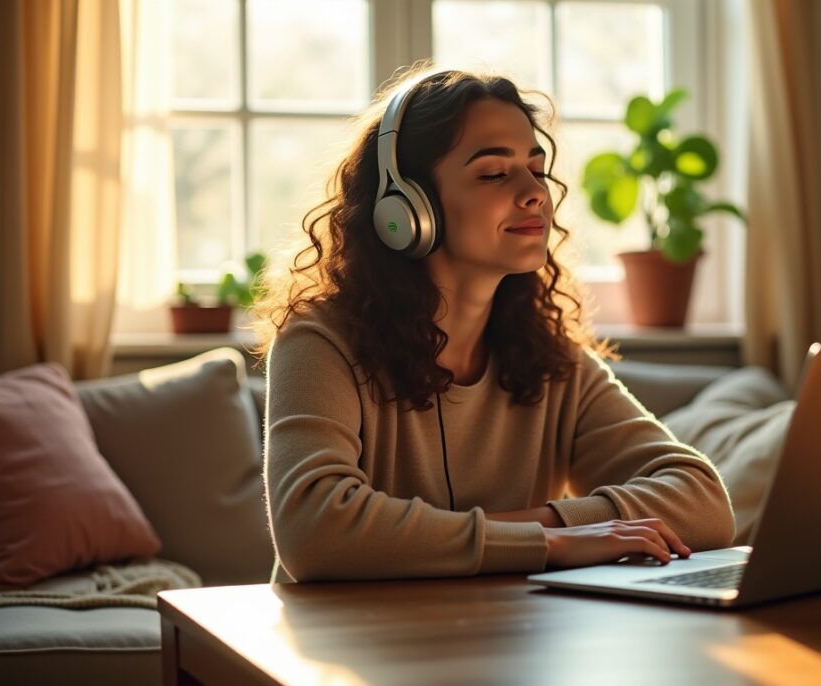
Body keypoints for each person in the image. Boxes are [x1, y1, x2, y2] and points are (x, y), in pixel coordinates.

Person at [251, 66, 734, 582]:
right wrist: (549, 542)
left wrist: (550, 530)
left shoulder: (549, 355)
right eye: (493, 173)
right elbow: (314, 531)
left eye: (536, 168)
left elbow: (703, 502)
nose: (535, 194)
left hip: (503, 640)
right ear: (407, 209)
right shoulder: (319, 340)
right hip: (348, 648)